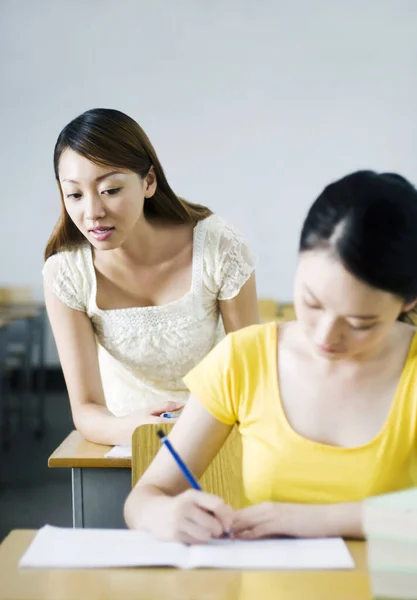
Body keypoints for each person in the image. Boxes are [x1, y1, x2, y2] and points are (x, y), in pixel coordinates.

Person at [125, 170, 417, 544]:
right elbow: (144, 499)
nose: (326, 335)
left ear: (408, 302)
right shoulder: (243, 359)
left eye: (361, 323)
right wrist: (163, 514)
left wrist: (315, 519)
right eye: (312, 302)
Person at [43, 108, 259, 446]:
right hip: (124, 439)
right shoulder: (66, 273)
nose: (92, 212)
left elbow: (252, 377)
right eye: (75, 194)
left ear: (148, 182)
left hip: (221, 433)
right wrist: (143, 432)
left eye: (110, 190)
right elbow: (86, 409)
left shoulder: (219, 247)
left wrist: (202, 430)